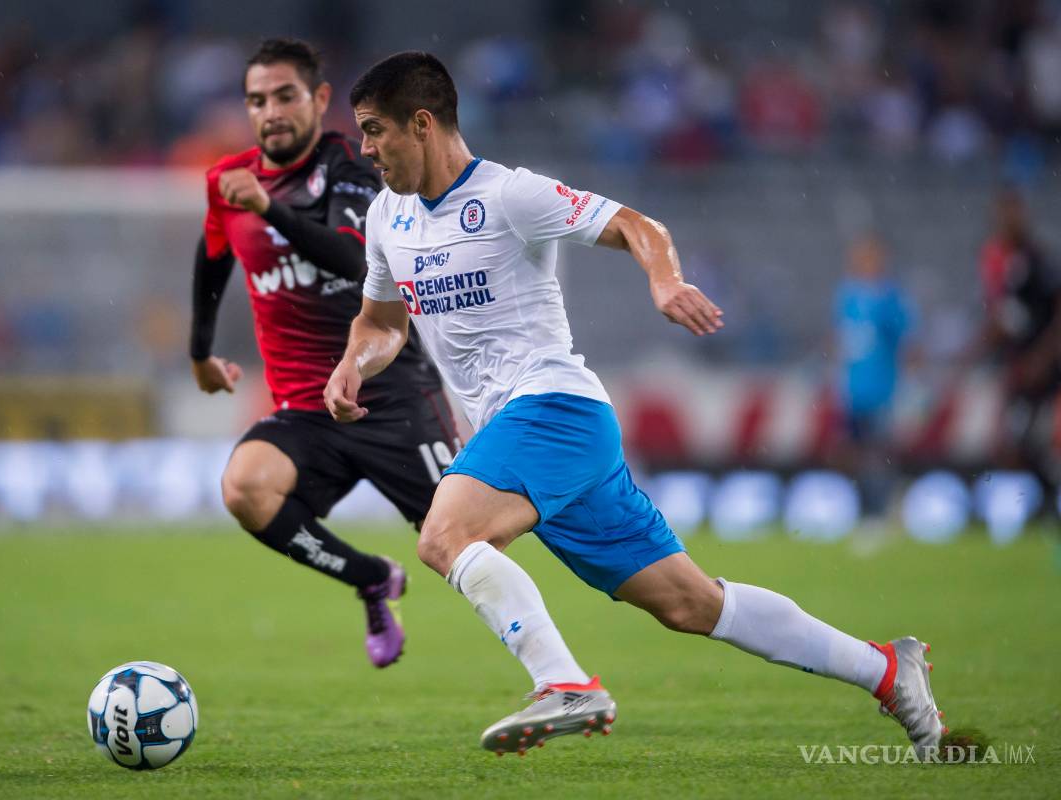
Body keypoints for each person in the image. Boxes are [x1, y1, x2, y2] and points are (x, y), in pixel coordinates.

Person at [325, 51, 947, 757]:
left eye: (375, 131)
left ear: (423, 123)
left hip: (553, 409)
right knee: (690, 603)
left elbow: (638, 226)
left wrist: (662, 281)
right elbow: (381, 323)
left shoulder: (508, 195)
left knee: (446, 537)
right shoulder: (386, 218)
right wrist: (353, 363)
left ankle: (564, 684)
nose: (367, 149)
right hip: (533, 439)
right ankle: (888, 670)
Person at [190, 39, 457, 668]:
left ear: (318, 99)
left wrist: (269, 208)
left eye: (285, 95)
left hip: (389, 392)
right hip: (306, 409)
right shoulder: (228, 183)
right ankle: (369, 577)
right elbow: (210, 258)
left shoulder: (352, 166)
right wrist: (200, 352)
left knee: (465, 546)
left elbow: (354, 256)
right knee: (245, 487)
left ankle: (555, 665)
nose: (271, 111)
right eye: (257, 100)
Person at [974, 187, 1061, 508]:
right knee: (1014, 442)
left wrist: (1043, 356)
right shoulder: (999, 261)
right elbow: (1001, 318)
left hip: (1042, 371)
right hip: (1017, 367)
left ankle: (1048, 505)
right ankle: (1037, 508)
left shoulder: (1036, 259)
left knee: (1035, 440)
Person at [832, 233, 916, 519]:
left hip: (882, 388)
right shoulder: (847, 296)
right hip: (853, 389)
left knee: (879, 453)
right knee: (853, 453)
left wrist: (912, 385)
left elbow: (905, 342)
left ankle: (884, 509)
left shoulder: (890, 298)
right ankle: (865, 508)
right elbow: (843, 340)